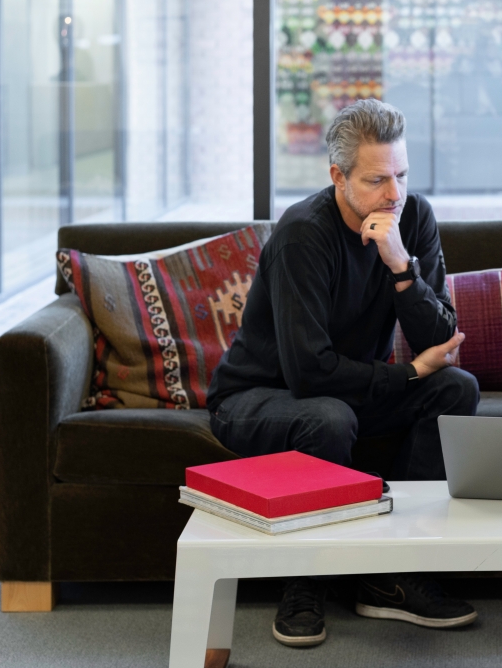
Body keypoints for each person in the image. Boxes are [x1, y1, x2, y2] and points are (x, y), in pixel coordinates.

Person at [206, 99, 480, 648]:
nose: (394, 194)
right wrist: (405, 376)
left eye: (401, 175)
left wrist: (402, 267)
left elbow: (440, 340)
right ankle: (305, 582)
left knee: (456, 389)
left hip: (346, 391)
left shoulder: (414, 218)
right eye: (377, 180)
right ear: (338, 176)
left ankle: (391, 574)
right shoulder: (303, 234)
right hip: (258, 396)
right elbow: (308, 373)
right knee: (328, 419)